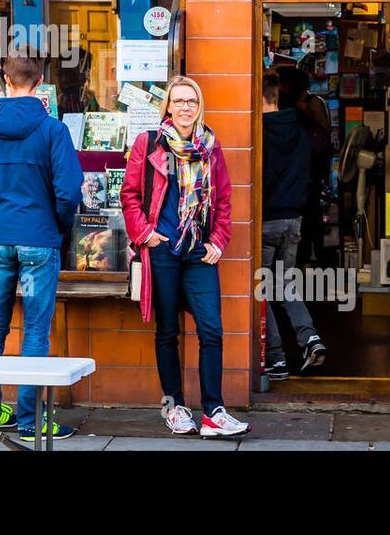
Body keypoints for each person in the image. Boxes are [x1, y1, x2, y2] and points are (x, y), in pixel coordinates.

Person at [121, 76, 251, 438]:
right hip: (162, 250)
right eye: (178, 101)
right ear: (168, 107)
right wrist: (145, 235)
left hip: (198, 251)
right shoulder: (149, 144)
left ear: (199, 106)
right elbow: (130, 195)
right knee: (167, 331)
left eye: (191, 101)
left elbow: (223, 200)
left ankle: (213, 412)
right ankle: (175, 407)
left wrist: (219, 242)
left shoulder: (211, 147)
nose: (184, 108)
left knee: (211, 329)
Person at [0, 49, 82, 441]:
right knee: (35, 330)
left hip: (2, 242)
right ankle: (31, 421)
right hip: (40, 242)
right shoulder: (53, 130)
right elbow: (69, 192)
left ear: (6, 80)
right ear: (40, 82)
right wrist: (56, 224)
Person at [262, 70, 326, 379]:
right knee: (284, 283)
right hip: (294, 219)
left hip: (266, 220)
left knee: (260, 288)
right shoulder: (300, 130)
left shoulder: (259, 132)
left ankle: (275, 357)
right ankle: (310, 337)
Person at [278, 65, 333, 266]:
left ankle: (311, 255)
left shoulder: (308, 104)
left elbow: (324, 132)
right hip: (304, 171)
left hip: (306, 171)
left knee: (309, 216)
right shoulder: (293, 106)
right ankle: (308, 257)